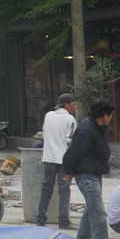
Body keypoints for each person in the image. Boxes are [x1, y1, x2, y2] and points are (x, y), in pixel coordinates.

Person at [62, 99, 116, 239]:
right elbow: (74, 152)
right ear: (105, 115)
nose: (111, 118)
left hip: (94, 172)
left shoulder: (97, 128)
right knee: (98, 212)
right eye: (110, 115)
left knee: (90, 210)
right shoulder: (87, 129)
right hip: (86, 175)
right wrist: (69, 170)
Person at [36, 94, 78, 230]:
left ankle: (40, 220)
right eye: (73, 104)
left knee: (46, 189)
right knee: (64, 190)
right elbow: (70, 140)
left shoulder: (48, 115)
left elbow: (44, 134)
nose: (75, 107)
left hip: (49, 158)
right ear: (66, 104)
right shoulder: (70, 119)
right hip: (64, 159)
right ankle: (63, 222)